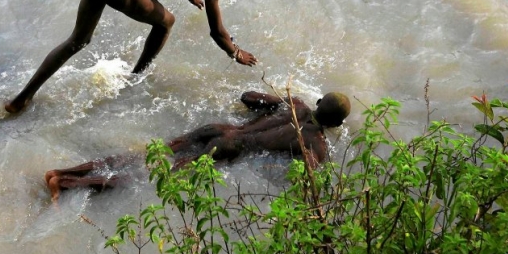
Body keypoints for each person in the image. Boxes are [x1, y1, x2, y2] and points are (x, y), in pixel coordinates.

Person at [5, 0, 258, 114]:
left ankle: (21, 99)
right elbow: (217, 32)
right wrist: (236, 53)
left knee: (77, 40)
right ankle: (135, 79)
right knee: (166, 22)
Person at [44, 90, 351, 201]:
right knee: (147, 178)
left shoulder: (295, 103)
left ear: (318, 101)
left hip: (218, 129)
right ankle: (66, 184)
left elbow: (247, 96)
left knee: (142, 157)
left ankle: (62, 171)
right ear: (337, 124)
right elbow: (306, 182)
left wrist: (272, 104)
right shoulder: (317, 144)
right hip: (229, 149)